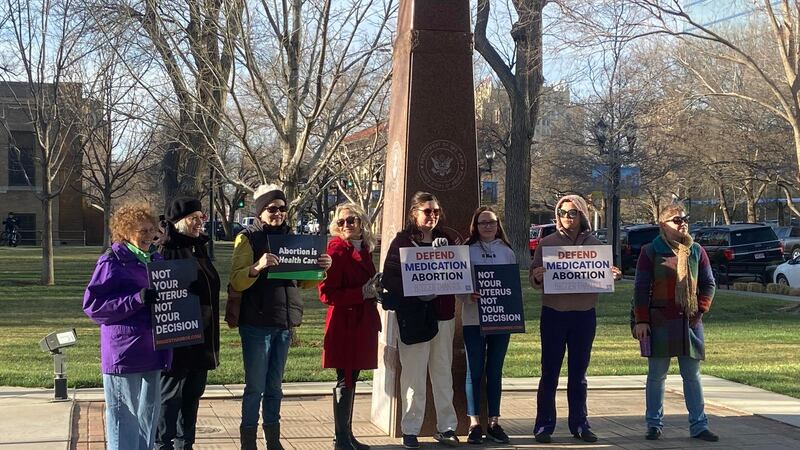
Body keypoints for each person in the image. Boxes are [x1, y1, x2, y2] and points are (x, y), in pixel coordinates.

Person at [229, 184, 332, 450]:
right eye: (272, 209)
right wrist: (258, 266)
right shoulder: (247, 238)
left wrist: (320, 270)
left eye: (282, 209)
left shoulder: (292, 238)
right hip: (256, 324)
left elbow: (303, 282)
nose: (278, 214)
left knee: (275, 387)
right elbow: (236, 281)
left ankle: (273, 440)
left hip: (284, 323)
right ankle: (248, 442)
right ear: (260, 211)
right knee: (255, 388)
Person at [529, 194, 621, 444]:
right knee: (549, 372)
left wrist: (612, 275)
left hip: (584, 315)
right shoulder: (547, 243)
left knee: (579, 374)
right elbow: (534, 278)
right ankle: (544, 425)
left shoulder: (595, 245)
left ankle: (580, 423)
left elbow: (604, 275)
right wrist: (537, 276)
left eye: (572, 213)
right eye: (562, 213)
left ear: (581, 215)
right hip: (553, 314)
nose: (567, 217)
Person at [83, 202, 172, 450]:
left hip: (154, 348)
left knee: (148, 418)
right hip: (125, 352)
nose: (148, 236)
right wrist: (136, 299)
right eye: (141, 231)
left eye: (151, 230)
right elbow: (93, 306)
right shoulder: (112, 261)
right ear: (125, 232)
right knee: (124, 418)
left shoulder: (156, 259)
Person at [632, 204, 718, 442]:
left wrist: (700, 308)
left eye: (685, 219)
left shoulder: (696, 251)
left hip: (690, 322)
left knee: (692, 375)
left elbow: (709, 284)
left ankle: (699, 425)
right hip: (660, 320)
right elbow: (640, 289)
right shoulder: (651, 251)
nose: (683, 223)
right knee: (657, 376)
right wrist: (642, 320)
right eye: (677, 220)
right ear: (663, 225)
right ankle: (653, 424)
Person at [381, 191, 459, 449]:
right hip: (414, 317)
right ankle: (411, 429)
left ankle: (447, 427)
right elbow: (389, 278)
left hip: (443, 315)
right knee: (413, 375)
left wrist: (448, 255)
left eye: (436, 211)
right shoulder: (402, 242)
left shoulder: (447, 239)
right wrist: (415, 289)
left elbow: (459, 272)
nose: (432, 216)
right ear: (414, 213)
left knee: (442, 372)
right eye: (427, 211)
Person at [155, 197, 221, 450]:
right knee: (171, 396)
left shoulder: (199, 247)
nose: (199, 222)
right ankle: (162, 443)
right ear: (177, 222)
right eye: (193, 218)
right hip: (178, 337)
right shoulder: (166, 250)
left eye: (201, 217)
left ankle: (186, 443)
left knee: (193, 393)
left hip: (204, 335)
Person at [318, 203, 381, 450]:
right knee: (345, 378)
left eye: (351, 220)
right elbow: (326, 294)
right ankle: (341, 438)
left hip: (361, 321)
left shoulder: (363, 249)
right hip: (344, 323)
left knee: (352, 377)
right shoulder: (336, 251)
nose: (346, 225)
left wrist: (375, 288)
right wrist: (361, 293)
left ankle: (347, 434)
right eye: (341, 221)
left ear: (361, 223)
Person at [460, 206, 516, 445]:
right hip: (473, 319)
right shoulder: (467, 251)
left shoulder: (507, 251)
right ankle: (474, 423)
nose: (488, 226)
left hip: (500, 319)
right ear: (475, 226)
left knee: (495, 370)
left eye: (491, 222)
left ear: (497, 224)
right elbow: (458, 284)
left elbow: (512, 286)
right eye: (483, 222)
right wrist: (467, 295)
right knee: (474, 370)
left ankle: (494, 422)